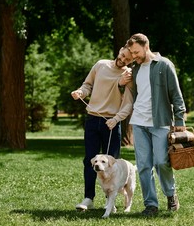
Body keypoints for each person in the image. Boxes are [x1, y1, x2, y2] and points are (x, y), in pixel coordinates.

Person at [126, 33, 186, 216]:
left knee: (161, 162)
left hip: (160, 122)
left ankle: (170, 194)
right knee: (144, 165)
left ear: (146, 46)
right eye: (131, 53)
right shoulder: (135, 69)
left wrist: (180, 121)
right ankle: (151, 204)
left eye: (136, 52)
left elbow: (176, 94)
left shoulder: (164, 65)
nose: (134, 56)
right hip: (138, 122)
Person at [71, 46, 133, 211]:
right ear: (120, 50)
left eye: (128, 59)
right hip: (92, 119)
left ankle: (109, 201)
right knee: (89, 160)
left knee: (111, 162)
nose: (124, 60)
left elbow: (127, 102)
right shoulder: (100, 65)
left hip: (111, 123)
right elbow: (87, 85)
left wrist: (116, 119)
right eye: (123, 55)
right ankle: (88, 198)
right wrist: (80, 92)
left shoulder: (128, 75)